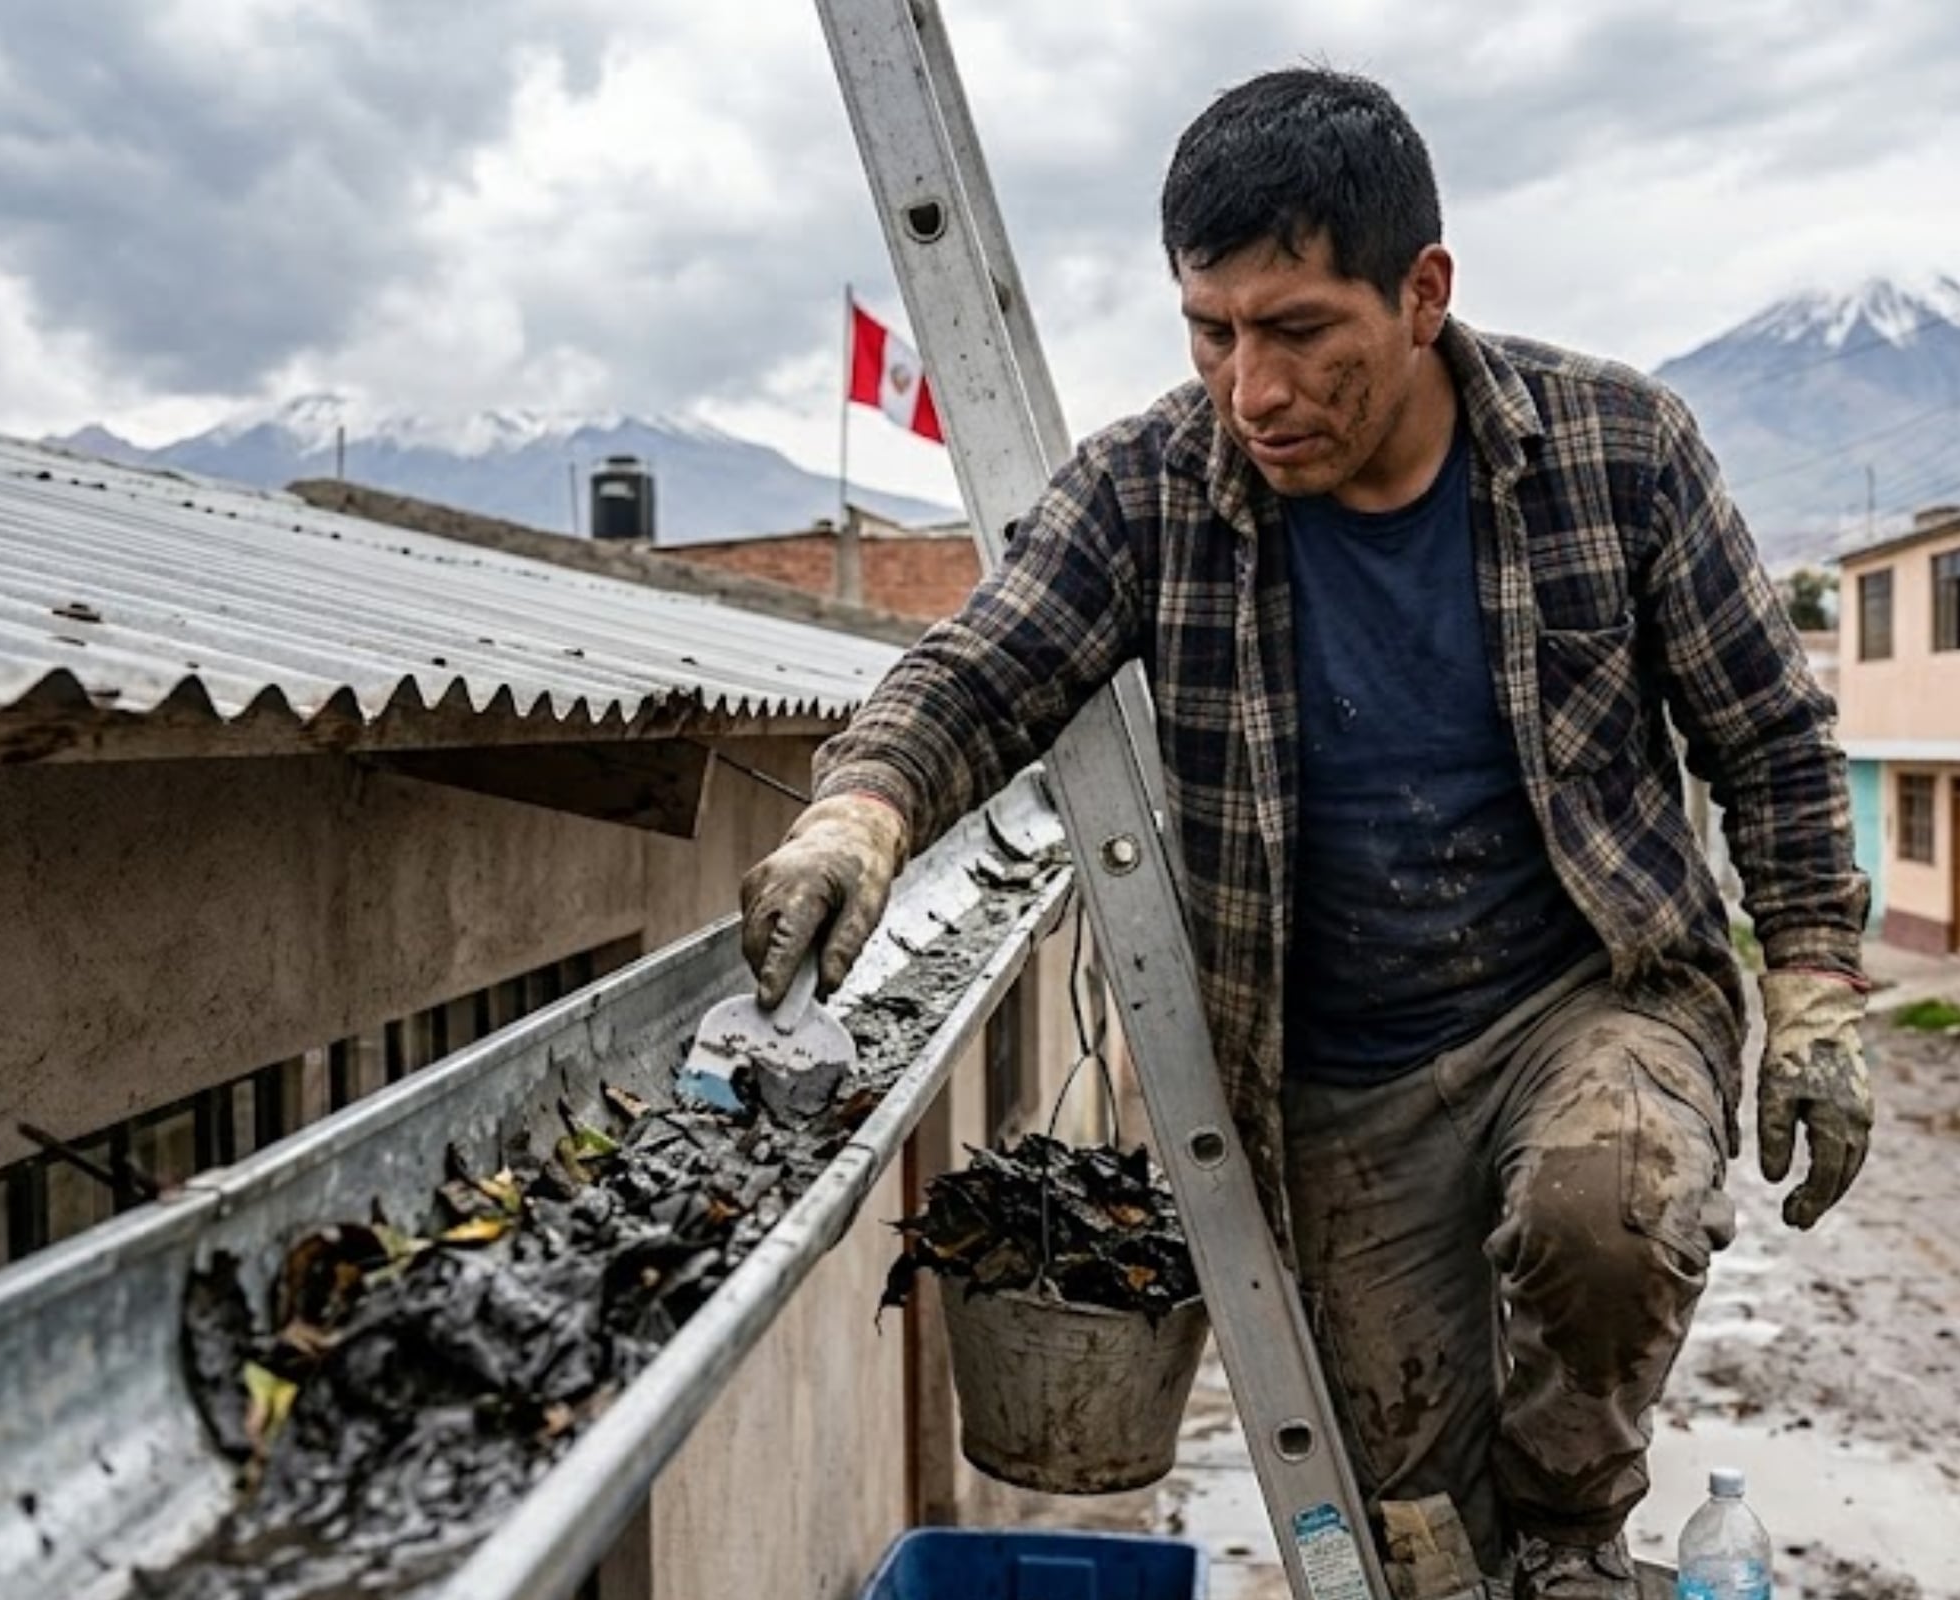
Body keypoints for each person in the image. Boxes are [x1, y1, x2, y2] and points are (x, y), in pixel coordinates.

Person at [739, 67, 1871, 1600]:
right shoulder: (1156, 490)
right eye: (1210, 331)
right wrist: (860, 814)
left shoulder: (1621, 454)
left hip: (1588, 993)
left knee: (1607, 1211)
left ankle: (1576, 1537)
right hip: (1336, 1082)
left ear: (1421, 296)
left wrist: (1811, 992)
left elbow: (1770, 735)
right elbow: (983, 663)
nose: (1249, 389)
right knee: (1407, 1525)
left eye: (1297, 332)